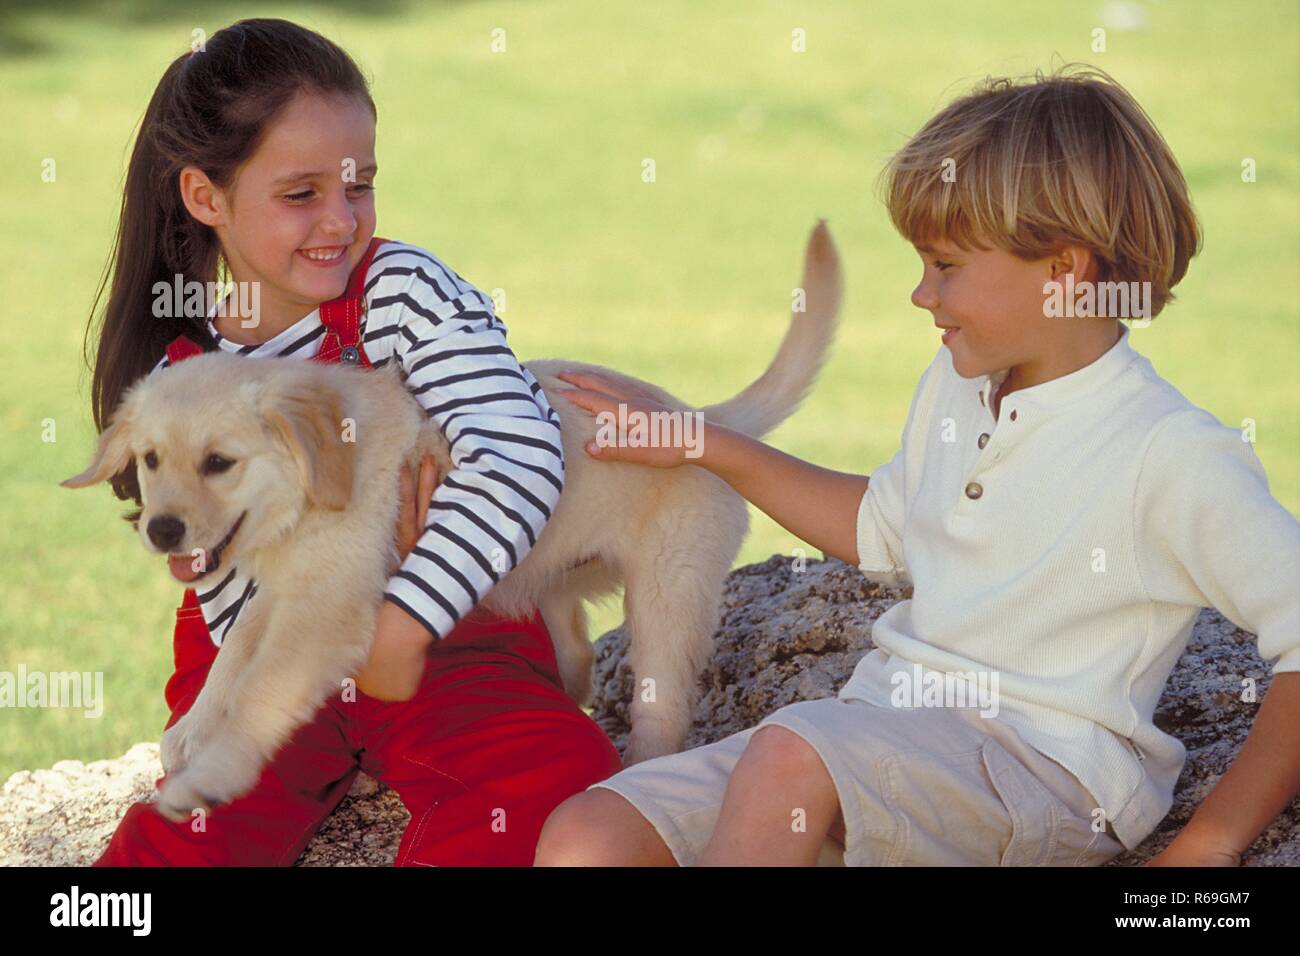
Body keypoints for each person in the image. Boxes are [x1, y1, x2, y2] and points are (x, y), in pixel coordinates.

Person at [536, 65, 1300, 867]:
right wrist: (704, 443)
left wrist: (1212, 841)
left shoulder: (1170, 449)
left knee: (791, 756)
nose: (920, 294)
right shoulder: (959, 385)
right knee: (589, 835)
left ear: (1064, 271)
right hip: (886, 731)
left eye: (946, 267)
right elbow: (885, 528)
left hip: (1048, 773)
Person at [84, 18, 621, 866]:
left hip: (449, 623)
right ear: (205, 197)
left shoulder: (402, 291)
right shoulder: (183, 367)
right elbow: (220, 579)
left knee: (556, 775)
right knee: (197, 823)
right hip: (263, 641)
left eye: (359, 185)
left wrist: (406, 619)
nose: (341, 221)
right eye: (300, 195)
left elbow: (519, 452)